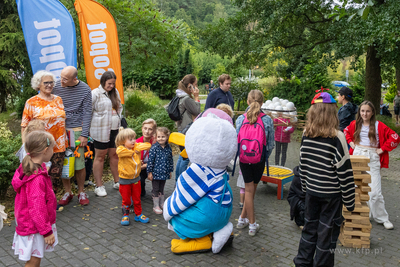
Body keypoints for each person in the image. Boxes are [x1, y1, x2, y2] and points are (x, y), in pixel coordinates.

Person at [294, 92, 355, 267]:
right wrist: (350, 202)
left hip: (312, 193)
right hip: (332, 198)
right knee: (326, 240)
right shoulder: (337, 137)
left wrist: (306, 190)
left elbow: (302, 166)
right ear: (331, 112)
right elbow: (345, 173)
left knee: (308, 233)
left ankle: (302, 264)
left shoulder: (307, 134)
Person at [344, 100, 400, 230]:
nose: (365, 113)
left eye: (368, 111)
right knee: (356, 188)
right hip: (357, 154)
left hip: (372, 156)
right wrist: (351, 143)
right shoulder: (355, 124)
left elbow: (395, 137)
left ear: (373, 112)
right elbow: (345, 131)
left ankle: (382, 218)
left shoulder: (379, 125)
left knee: (375, 192)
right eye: (362, 111)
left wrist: (383, 148)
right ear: (359, 112)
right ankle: (362, 213)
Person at [12, 131, 58, 265]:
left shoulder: (29, 167)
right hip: (34, 227)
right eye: (52, 149)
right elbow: (37, 208)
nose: (53, 152)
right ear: (45, 151)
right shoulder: (36, 178)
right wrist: (47, 231)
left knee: (35, 259)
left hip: (32, 224)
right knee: (33, 260)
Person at [235, 90, 274, 236]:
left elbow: (236, 141)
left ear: (247, 101)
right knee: (251, 191)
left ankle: (241, 219)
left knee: (249, 191)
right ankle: (252, 225)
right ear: (262, 102)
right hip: (259, 160)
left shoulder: (240, 119)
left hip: (244, 159)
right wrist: (263, 157)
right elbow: (270, 145)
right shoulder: (267, 120)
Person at [53, 66, 92, 206]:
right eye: (61, 77)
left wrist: (84, 135)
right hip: (59, 130)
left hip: (77, 129)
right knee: (64, 162)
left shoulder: (85, 89)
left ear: (74, 79)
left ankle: (81, 191)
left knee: (79, 163)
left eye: (65, 79)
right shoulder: (56, 85)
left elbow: (88, 113)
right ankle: (68, 192)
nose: (61, 81)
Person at [21, 70, 67, 189]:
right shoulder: (31, 102)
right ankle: (40, 203)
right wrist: (25, 146)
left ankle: (51, 203)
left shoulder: (58, 99)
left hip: (59, 144)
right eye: (46, 82)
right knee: (40, 175)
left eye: (51, 82)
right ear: (38, 84)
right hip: (40, 146)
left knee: (55, 176)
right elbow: (24, 126)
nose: (50, 85)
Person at [91, 71, 122, 197]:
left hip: (114, 129)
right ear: (103, 81)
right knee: (100, 156)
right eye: (109, 83)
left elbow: (119, 108)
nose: (111, 86)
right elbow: (88, 110)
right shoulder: (95, 93)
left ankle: (117, 181)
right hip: (100, 130)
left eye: (113, 84)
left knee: (114, 155)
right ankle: (99, 185)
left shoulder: (115, 93)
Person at [115, 128, 151, 225]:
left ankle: (138, 214)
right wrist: (134, 152)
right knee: (126, 199)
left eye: (134, 139)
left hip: (136, 179)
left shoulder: (135, 147)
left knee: (137, 198)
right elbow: (120, 153)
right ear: (123, 141)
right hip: (124, 180)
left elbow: (148, 145)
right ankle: (125, 215)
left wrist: (136, 148)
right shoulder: (121, 149)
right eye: (130, 139)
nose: (133, 141)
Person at [174, 74, 201, 181]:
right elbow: (197, 111)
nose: (197, 87)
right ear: (190, 86)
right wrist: (196, 97)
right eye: (195, 85)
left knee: (182, 156)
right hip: (186, 130)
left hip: (181, 128)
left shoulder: (179, 95)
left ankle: (177, 180)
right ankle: (180, 181)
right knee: (185, 157)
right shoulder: (186, 99)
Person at [147, 127, 174, 214]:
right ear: (156, 137)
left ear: (167, 137)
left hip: (164, 172)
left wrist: (170, 170)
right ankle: (156, 205)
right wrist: (149, 172)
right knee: (156, 188)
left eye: (163, 137)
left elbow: (170, 160)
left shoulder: (168, 148)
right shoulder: (154, 148)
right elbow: (150, 161)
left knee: (162, 188)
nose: (160, 139)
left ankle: (162, 203)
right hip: (155, 173)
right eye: (159, 137)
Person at [136, 119, 157, 197]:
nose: (147, 131)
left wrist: (145, 166)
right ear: (142, 129)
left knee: (159, 174)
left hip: (152, 167)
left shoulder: (156, 143)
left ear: (154, 131)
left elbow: (158, 160)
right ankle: (141, 190)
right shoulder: (136, 142)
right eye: (145, 128)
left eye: (150, 129)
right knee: (139, 180)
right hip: (140, 167)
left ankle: (156, 192)